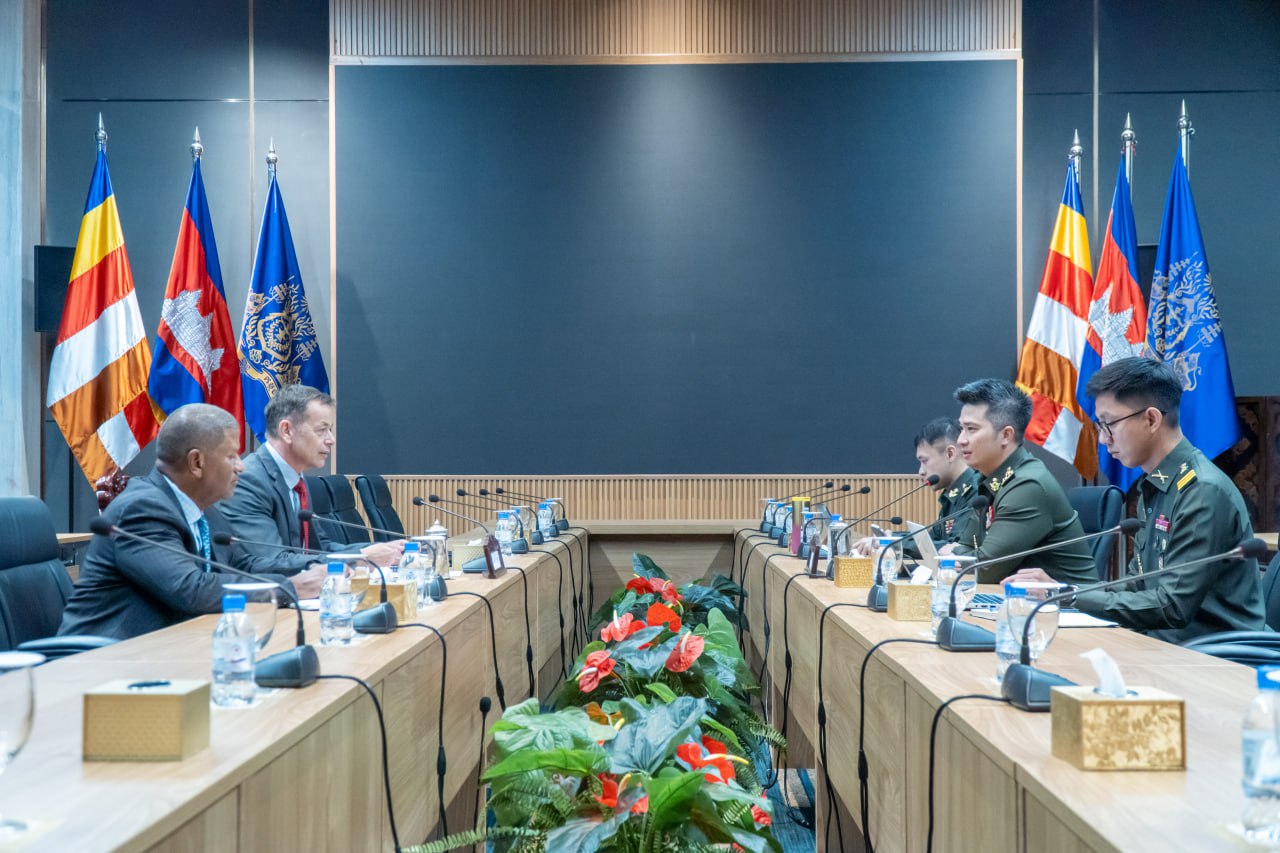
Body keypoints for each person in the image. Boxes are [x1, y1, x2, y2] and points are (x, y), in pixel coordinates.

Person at [1003, 357, 1265, 643]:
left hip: (1212, 654)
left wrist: (1067, 595)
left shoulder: (1201, 491)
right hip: (1162, 645)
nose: (1103, 439)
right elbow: (1136, 589)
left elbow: (1172, 606)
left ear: (1151, 419)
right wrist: (1061, 590)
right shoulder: (1155, 484)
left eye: (1109, 424)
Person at [58, 404, 322, 641]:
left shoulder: (205, 510)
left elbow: (245, 565)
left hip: (168, 650)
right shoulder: (141, 511)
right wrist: (289, 589)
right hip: (104, 660)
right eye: (231, 456)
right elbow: (190, 589)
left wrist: (316, 566)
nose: (240, 467)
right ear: (196, 462)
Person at [221, 384, 404, 574]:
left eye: (330, 430)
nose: (331, 440)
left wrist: (378, 551)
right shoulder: (248, 481)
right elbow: (270, 562)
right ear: (287, 431)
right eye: (322, 430)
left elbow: (318, 548)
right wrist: (360, 559)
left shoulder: (297, 481)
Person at [939, 379, 1096, 585]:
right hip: (1019, 597)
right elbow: (970, 546)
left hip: (1065, 602)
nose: (961, 440)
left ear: (1006, 435)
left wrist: (955, 553)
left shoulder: (1028, 485)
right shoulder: (988, 480)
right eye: (961, 428)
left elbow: (985, 569)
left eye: (971, 429)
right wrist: (962, 553)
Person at [851, 417, 984, 556]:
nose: (921, 471)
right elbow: (932, 539)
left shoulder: (976, 492)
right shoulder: (952, 494)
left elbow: (953, 548)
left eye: (924, 461)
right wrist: (891, 538)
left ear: (950, 454)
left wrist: (891, 543)